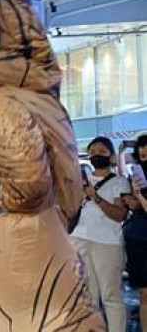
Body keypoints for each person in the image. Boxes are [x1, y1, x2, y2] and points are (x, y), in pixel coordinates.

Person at [70, 136, 131, 332]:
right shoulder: (80, 181)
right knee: (88, 295)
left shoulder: (119, 182)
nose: (96, 155)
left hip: (107, 243)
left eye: (102, 152)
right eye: (93, 152)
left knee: (110, 295)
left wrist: (96, 198)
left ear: (112, 157)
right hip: (79, 239)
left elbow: (120, 215)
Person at [122, 134, 147, 330]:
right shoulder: (138, 173)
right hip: (138, 238)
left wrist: (139, 197)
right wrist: (133, 201)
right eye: (141, 147)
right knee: (144, 293)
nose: (143, 150)